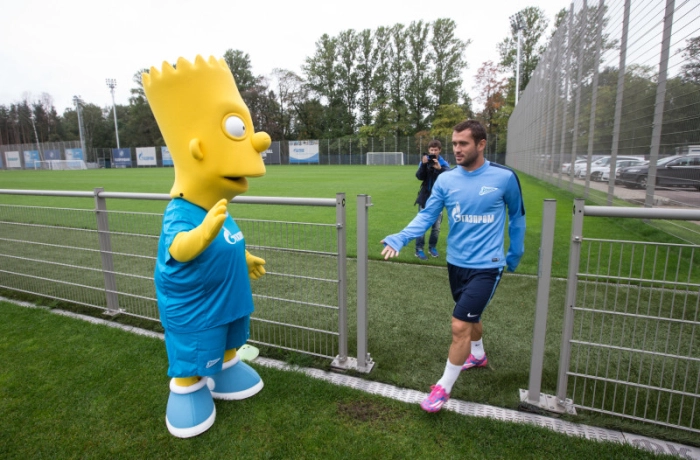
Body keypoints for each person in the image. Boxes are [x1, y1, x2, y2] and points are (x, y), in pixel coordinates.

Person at [381, 119, 525, 413]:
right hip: (456, 263)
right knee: (470, 317)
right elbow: (427, 215)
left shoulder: (504, 177)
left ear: (481, 144)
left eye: (463, 144)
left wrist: (515, 253)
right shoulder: (446, 180)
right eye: (455, 143)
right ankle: (478, 355)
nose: (457, 149)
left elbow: (517, 216)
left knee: (460, 324)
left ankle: (442, 388)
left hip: (488, 265)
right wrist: (401, 237)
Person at [414, 140, 450, 260]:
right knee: (422, 225)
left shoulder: (443, 163)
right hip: (425, 198)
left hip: (438, 199)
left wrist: (439, 169)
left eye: (435, 150)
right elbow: (419, 177)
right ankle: (419, 249)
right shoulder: (424, 161)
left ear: (440, 150)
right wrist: (424, 165)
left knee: (436, 227)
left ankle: (432, 247)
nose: (433, 152)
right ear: (428, 150)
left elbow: (448, 179)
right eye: (431, 150)